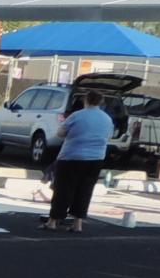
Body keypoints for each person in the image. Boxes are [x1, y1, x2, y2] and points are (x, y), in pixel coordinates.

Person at [44, 88, 113, 233]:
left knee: (63, 189)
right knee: (85, 190)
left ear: (86, 100)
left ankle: (53, 221)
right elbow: (108, 137)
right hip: (96, 158)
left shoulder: (77, 115)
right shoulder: (107, 119)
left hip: (71, 157)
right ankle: (78, 223)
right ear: (100, 102)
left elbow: (60, 133)